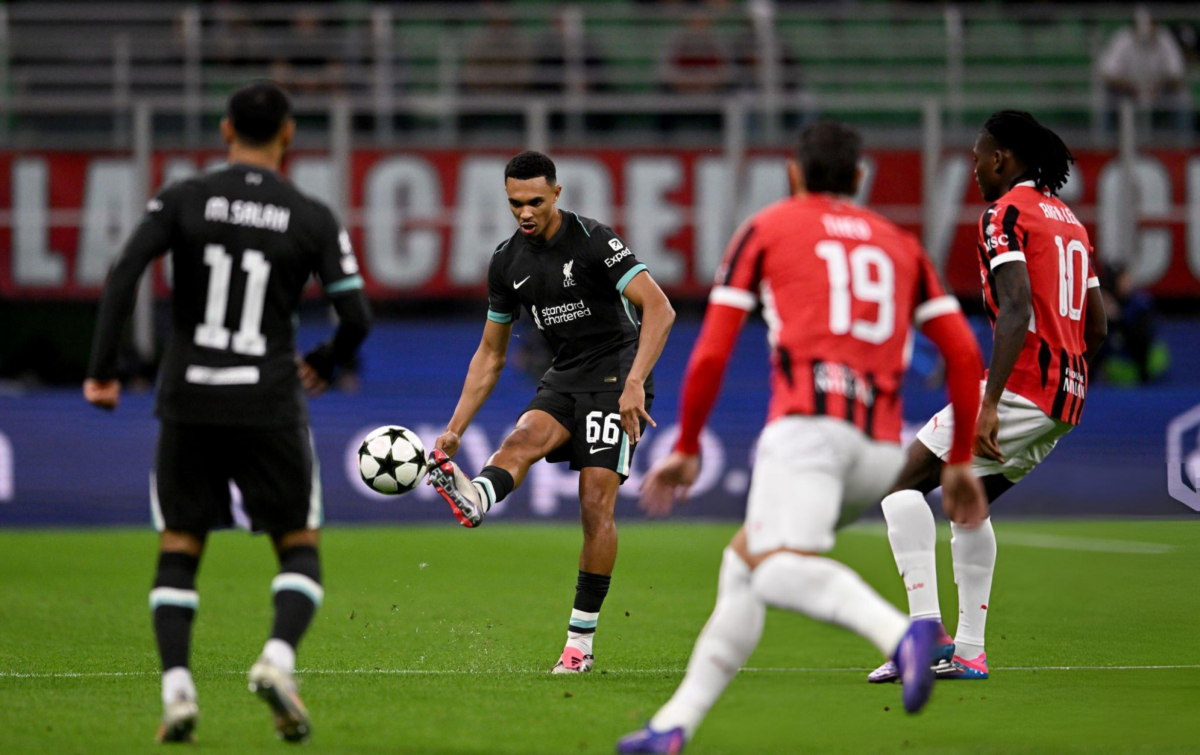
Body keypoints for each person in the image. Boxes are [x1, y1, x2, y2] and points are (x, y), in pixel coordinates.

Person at [617, 120, 987, 754]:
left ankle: (903, 634)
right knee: (743, 564)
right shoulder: (900, 245)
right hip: (880, 452)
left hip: (807, 435)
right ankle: (671, 727)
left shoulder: (768, 229)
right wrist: (955, 461)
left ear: (793, 173)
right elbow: (959, 350)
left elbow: (710, 353)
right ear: (861, 178)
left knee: (773, 571)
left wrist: (685, 447)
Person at [83, 80, 371, 743]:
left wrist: (101, 371)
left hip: (188, 395)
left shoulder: (184, 197)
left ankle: (178, 689)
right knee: (298, 544)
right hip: (268, 398)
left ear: (224, 129)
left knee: (180, 545)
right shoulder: (310, 214)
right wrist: (329, 359)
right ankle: (276, 658)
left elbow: (125, 272)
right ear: (289, 134)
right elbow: (356, 313)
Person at [868, 111, 1107, 685]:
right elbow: (1096, 327)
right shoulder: (1069, 221)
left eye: (978, 158)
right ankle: (969, 651)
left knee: (899, 482)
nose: (974, 169)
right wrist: (1063, 384)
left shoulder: (1005, 215)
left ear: (1001, 158)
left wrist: (994, 401)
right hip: (1063, 397)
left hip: (1021, 384)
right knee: (965, 502)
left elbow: (1017, 308)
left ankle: (926, 636)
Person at [427, 150, 675, 674]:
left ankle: (579, 646)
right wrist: (454, 429)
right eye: (515, 203)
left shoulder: (593, 240)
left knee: (594, 504)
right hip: (566, 375)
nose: (525, 212)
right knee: (520, 441)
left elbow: (660, 307)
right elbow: (491, 354)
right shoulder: (506, 262)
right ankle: (477, 496)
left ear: (556, 194)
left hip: (617, 378)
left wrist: (635, 383)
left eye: (535, 201)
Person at [1098, 6, 1190, 135]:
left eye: (1150, 24)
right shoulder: (1123, 38)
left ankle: (1181, 145)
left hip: (1159, 91)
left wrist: (1158, 85)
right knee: (1107, 96)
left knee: (1181, 97)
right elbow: (1107, 74)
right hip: (1128, 92)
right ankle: (1104, 144)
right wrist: (1131, 87)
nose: (1146, 29)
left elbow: (1177, 75)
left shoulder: (1165, 39)